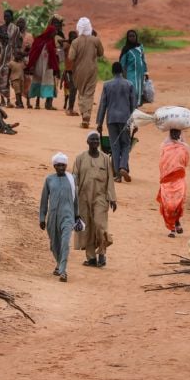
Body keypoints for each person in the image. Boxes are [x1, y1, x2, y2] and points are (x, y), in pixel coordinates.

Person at [73, 132, 117, 267]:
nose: (94, 142)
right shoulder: (80, 158)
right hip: (83, 197)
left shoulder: (105, 158)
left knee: (100, 225)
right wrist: (73, 197)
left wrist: (112, 198)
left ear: (99, 142)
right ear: (87, 141)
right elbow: (74, 179)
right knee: (87, 228)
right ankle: (91, 258)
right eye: (92, 139)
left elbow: (110, 179)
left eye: (97, 140)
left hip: (100, 197)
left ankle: (102, 252)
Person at [40, 152, 80, 283]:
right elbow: (44, 200)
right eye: (58, 165)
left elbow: (76, 199)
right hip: (52, 217)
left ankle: (63, 271)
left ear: (66, 165)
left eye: (63, 165)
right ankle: (58, 264)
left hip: (68, 216)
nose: (61, 168)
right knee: (54, 244)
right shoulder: (49, 180)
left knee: (65, 243)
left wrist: (77, 214)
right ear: (54, 166)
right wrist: (42, 217)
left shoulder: (72, 178)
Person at [96, 62, 137, 182]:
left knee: (115, 146)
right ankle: (123, 167)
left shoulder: (107, 85)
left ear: (113, 72)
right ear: (122, 71)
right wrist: (134, 123)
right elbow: (133, 105)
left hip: (111, 119)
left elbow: (103, 104)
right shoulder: (129, 84)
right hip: (125, 119)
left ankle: (117, 176)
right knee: (126, 144)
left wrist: (99, 122)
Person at [69, 17, 104, 128]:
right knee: (89, 93)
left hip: (78, 71)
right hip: (92, 70)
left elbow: (71, 57)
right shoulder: (95, 40)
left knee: (82, 92)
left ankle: (84, 114)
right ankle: (87, 115)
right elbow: (101, 53)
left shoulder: (75, 42)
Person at [157, 129, 189, 237]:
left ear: (180, 134)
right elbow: (162, 163)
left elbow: (184, 162)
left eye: (177, 133)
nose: (175, 135)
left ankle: (175, 225)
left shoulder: (183, 148)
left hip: (178, 179)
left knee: (177, 204)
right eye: (174, 133)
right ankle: (173, 228)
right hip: (167, 180)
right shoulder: (165, 148)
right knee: (169, 205)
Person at [26, 20, 60, 110]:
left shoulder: (51, 42)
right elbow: (33, 54)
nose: (54, 35)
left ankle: (48, 104)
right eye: (53, 33)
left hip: (48, 67)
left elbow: (53, 56)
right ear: (49, 32)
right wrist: (31, 66)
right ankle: (37, 103)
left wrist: (55, 67)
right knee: (38, 82)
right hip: (39, 66)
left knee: (50, 83)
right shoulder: (39, 40)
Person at [119, 29, 148, 105]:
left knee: (140, 90)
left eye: (133, 36)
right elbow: (122, 62)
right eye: (130, 36)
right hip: (131, 73)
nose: (132, 38)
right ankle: (132, 106)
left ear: (136, 37)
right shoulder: (126, 49)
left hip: (140, 73)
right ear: (127, 38)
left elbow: (143, 59)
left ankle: (137, 106)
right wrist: (121, 74)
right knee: (133, 90)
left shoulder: (140, 47)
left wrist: (146, 72)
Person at [61, 31, 78, 115]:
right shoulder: (67, 46)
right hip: (68, 71)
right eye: (73, 37)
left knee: (74, 90)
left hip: (76, 71)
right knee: (72, 89)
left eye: (76, 37)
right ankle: (69, 108)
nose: (75, 38)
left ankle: (70, 108)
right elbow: (59, 41)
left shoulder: (77, 46)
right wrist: (67, 40)